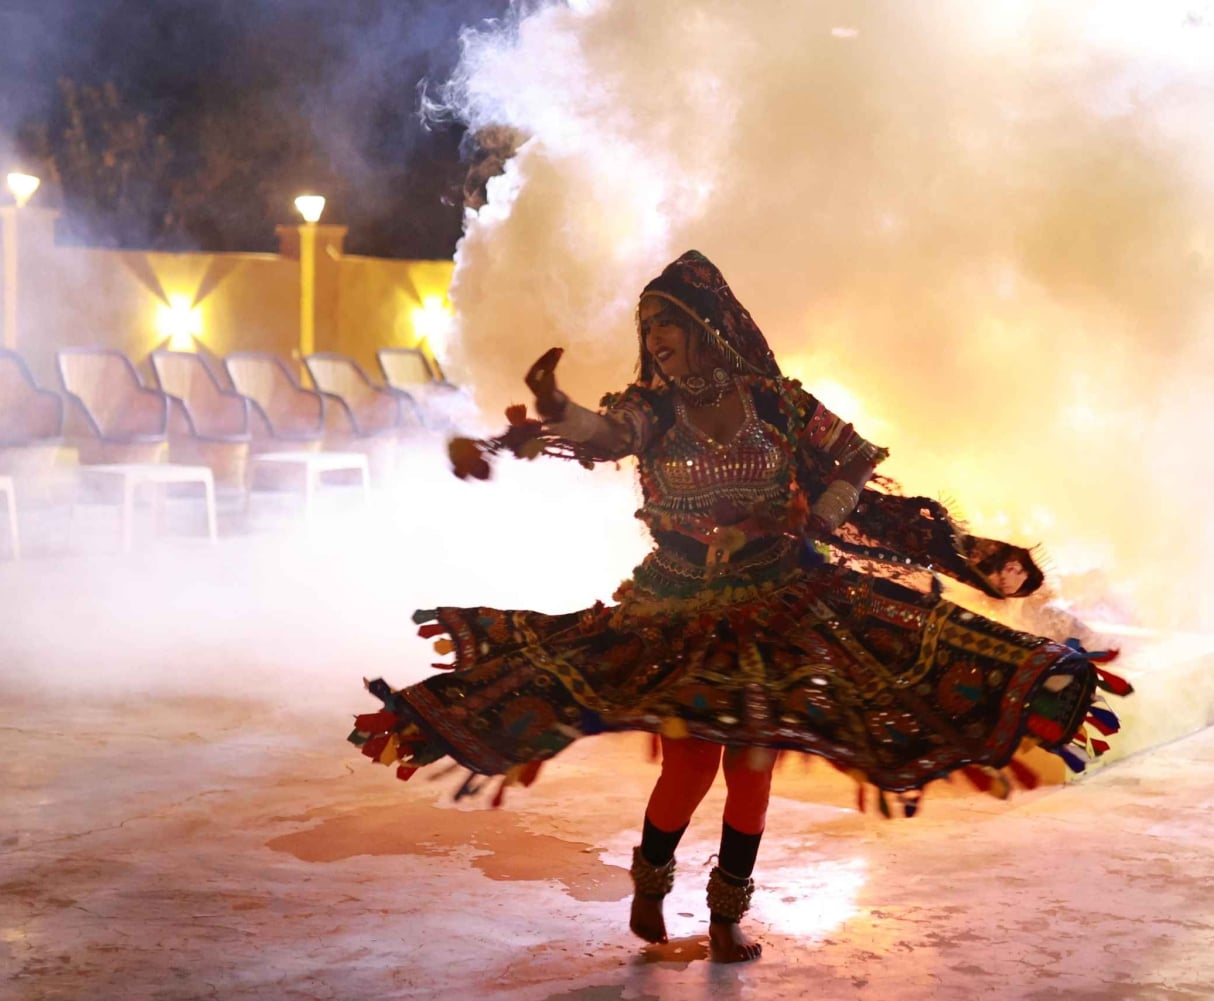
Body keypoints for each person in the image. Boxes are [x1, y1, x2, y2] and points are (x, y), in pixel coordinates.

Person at [350, 250, 1128, 963]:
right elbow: (605, 432)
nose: (655, 340)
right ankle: (651, 881)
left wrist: (822, 514)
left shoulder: (776, 400)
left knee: (753, 765)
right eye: (647, 328)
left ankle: (727, 917)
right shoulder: (653, 408)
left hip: (781, 598)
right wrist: (555, 403)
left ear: (708, 326)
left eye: (668, 324)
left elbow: (855, 456)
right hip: (677, 607)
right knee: (690, 763)